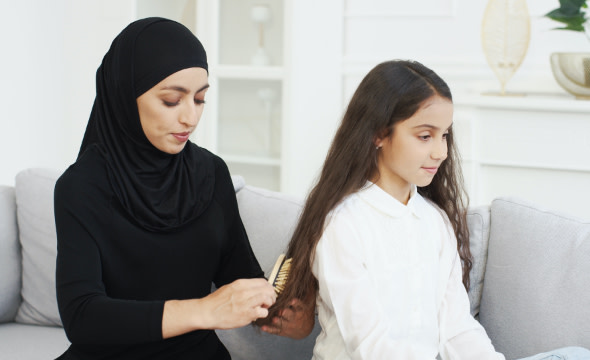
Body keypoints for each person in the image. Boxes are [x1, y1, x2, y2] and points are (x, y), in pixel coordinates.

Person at [264, 60, 590, 359]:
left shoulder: (433, 222)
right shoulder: (344, 224)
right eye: (425, 136)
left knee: (575, 354)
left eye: (444, 135)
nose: (441, 151)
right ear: (379, 133)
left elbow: (457, 330)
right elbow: (370, 345)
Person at [54, 17, 312, 360]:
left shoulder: (211, 173)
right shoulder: (81, 187)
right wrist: (204, 310)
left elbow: (242, 280)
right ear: (125, 94)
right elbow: (83, 316)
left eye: (200, 99)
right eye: (172, 101)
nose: (190, 118)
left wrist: (284, 315)